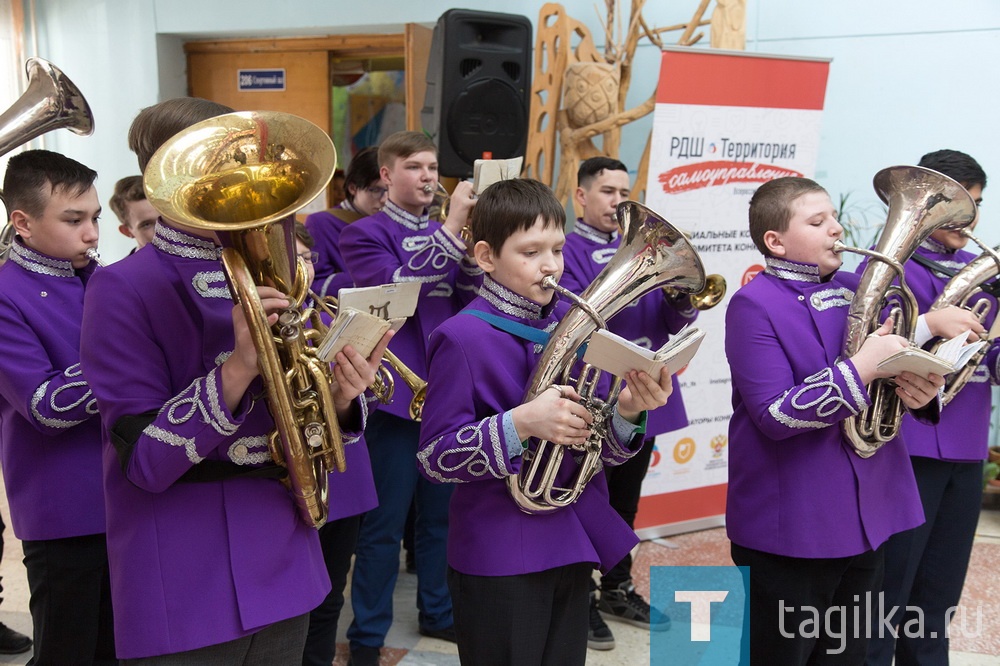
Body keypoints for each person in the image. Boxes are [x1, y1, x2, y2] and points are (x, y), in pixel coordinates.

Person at [79, 97, 389, 664]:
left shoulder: (277, 271)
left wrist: (340, 397)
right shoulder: (122, 287)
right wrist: (238, 368)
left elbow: (304, 421)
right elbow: (144, 460)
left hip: (282, 552)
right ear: (168, 173)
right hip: (181, 567)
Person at [417, 177, 674, 665]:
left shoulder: (571, 325)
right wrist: (520, 423)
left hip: (572, 538)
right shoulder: (461, 336)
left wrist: (627, 410)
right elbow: (434, 459)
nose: (551, 265)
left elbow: (599, 448)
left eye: (556, 249)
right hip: (499, 551)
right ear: (487, 257)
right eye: (531, 251)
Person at [726, 176, 943, 664]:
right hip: (794, 522)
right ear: (775, 242)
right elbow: (775, 414)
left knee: (847, 657)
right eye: (817, 221)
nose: (836, 229)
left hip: (868, 512)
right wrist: (863, 366)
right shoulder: (753, 304)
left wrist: (916, 389)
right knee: (780, 656)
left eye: (834, 218)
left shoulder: (854, 287)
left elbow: (883, 383)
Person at [338, 130, 479, 666]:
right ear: (385, 175)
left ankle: (438, 612)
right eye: (415, 167)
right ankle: (369, 637)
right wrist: (452, 231)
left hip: (446, 390)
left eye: (432, 167)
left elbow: (467, 296)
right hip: (394, 398)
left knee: (442, 519)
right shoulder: (365, 234)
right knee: (383, 526)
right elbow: (403, 291)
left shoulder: (454, 234)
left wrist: (472, 250)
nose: (427, 177)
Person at [866, 150, 996, 665]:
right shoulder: (889, 268)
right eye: (961, 206)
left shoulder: (984, 274)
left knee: (938, 596)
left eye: (979, 205)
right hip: (904, 443)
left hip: (964, 450)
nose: (972, 219)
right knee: (885, 593)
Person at [561, 156, 686, 649]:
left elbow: (669, 324)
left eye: (624, 191)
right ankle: (583, 598)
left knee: (625, 504)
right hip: (593, 399)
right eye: (608, 191)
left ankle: (616, 586)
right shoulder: (566, 250)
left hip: (639, 400)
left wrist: (678, 297)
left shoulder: (643, 250)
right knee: (591, 503)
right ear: (581, 197)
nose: (618, 201)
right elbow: (572, 325)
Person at [0, 149, 115, 664]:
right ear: (22, 223)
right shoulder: (6, 292)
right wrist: (130, 358)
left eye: (94, 218)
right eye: (74, 220)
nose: (92, 233)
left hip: (128, 491)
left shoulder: (100, 279)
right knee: (67, 652)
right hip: (63, 504)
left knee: (120, 649)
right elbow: (45, 407)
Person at [294, 222, 379, 666]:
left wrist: (353, 389)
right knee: (287, 608)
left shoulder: (330, 315)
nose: (301, 268)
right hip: (282, 481)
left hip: (343, 480)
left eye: (307, 258)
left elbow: (370, 401)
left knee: (328, 601)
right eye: (292, 259)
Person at [305, 145, 386, 298]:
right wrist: (370, 276)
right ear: (353, 188)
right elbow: (313, 286)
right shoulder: (321, 223)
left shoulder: (391, 221)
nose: (384, 199)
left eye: (389, 189)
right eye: (375, 190)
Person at [109, 175, 158, 251]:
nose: (162, 230)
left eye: (165, 220)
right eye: (147, 225)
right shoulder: (126, 263)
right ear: (127, 232)